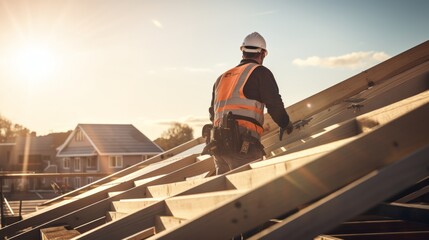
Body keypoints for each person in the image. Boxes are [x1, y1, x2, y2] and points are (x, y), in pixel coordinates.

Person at [206, 32, 293, 175]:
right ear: (263, 53)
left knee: (225, 190)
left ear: (243, 51)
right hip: (242, 146)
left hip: (219, 145)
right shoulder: (260, 72)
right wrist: (285, 123)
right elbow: (274, 105)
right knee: (251, 191)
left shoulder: (221, 78)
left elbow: (212, 113)